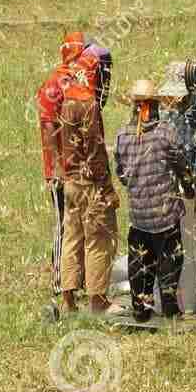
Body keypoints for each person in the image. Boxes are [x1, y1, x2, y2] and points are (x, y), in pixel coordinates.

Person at [115, 78, 187, 322]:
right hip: (165, 213)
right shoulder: (165, 133)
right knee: (170, 257)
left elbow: (122, 174)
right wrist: (188, 187)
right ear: (152, 106)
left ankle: (141, 308)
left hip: (138, 215)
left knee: (140, 260)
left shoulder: (122, 136)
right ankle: (169, 306)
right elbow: (181, 165)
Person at [57, 48, 120, 315]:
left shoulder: (67, 100)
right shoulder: (89, 104)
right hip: (91, 185)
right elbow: (95, 151)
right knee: (99, 239)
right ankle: (97, 301)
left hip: (70, 182)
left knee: (72, 238)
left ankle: (68, 299)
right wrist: (108, 189)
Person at [36, 32, 87, 302]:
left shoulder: (75, 81)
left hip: (78, 169)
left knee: (80, 225)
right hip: (62, 171)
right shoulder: (54, 85)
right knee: (63, 224)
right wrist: (56, 168)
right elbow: (47, 126)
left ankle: (77, 277)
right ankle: (59, 280)